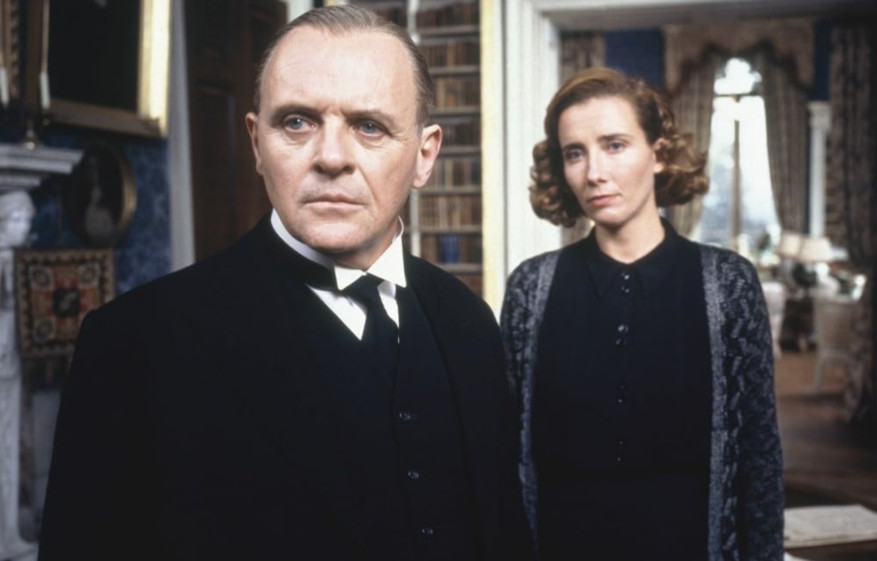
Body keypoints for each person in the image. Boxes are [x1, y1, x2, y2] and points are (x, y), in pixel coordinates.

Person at [38, 6, 532, 560]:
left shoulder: (468, 322)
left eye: (369, 126)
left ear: (425, 155)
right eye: (297, 122)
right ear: (256, 143)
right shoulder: (135, 342)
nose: (331, 158)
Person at [500, 67, 783, 560]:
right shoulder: (531, 287)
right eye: (575, 153)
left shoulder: (729, 284)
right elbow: (505, 456)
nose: (594, 172)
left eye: (615, 145)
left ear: (659, 153)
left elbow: (759, 460)